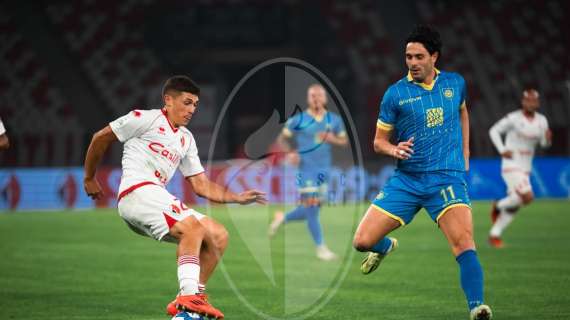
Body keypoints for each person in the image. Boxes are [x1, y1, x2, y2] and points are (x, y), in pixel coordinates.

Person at [83, 75, 266, 319]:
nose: (192, 110)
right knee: (193, 228)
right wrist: (89, 177)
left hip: (154, 196)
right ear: (168, 100)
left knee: (218, 235)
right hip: (137, 192)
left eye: (195, 105)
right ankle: (189, 297)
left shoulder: (186, 139)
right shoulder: (145, 119)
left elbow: (200, 184)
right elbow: (100, 137)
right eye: (187, 102)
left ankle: (188, 309)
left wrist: (237, 198)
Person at [351, 25, 492, 319]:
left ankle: (477, 307)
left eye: (418, 56)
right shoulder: (395, 94)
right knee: (362, 242)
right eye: (408, 57)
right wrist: (394, 150)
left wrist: (465, 151)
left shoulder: (455, 84)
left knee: (464, 243)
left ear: (434, 57)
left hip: (446, 178)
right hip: (408, 179)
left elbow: (463, 112)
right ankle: (386, 246)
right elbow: (378, 142)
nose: (412, 63)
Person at [268, 84, 348, 261]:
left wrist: (331, 138)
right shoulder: (299, 119)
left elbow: (344, 141)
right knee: (311, 208)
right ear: (308, 99)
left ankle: (282, 218)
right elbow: (281, 139)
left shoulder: (334, 120)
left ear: (325, 98)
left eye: (320, 95)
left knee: (310, 210)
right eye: (313, 95)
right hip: (306, 171)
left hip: (324, 170)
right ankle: (321, 248)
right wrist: (291, 153)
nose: (317, 98)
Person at [488, 89, 552, 248]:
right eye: (527, 100)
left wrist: (547, 140)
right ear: (523, 102)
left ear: (537, 103)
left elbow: (544, 144)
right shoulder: (513, 118)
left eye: (533, 100)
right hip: (511, 165)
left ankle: (494, 235)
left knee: (516, 203)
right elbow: (493, 131)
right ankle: (497, 206)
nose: (530, 103)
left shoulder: (542, 121)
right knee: (528, 196)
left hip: (526, 167)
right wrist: (502, 149)